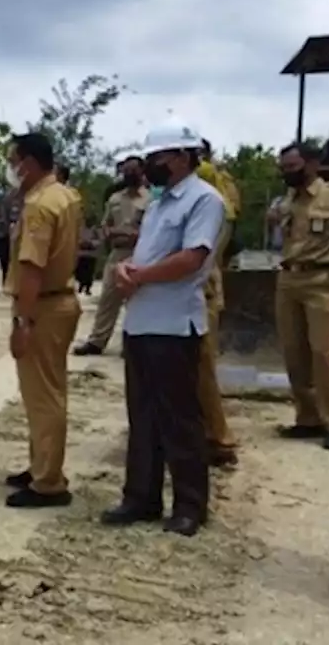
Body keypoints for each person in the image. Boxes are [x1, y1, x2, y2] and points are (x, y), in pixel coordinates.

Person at [100, 119, 223, 537]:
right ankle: (141, 497)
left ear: (184, 157)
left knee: (181, 420)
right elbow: (148, 252)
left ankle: (190, 505)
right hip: (142, 322)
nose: (151, 165)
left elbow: (192, 258)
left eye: (159, 158)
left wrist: (142, 275)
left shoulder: (204, 200)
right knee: (143, 416)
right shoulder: (158, 203)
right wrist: (127, 268)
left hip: (174, 325)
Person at [2, 133, 84, 509]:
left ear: (29, 163)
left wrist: (23, 321)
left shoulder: (39, 205)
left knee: (44, 397)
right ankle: (41, 465)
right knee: (46, 392)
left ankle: (49, 482)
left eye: (12, 160)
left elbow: (32, 267)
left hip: (44, 307)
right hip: (60, 302)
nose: (10, 169)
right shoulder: (65, 195)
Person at [271, 142, 329, 451]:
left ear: (313, 164)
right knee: (294, 351)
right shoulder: (287, 200)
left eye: (293, 166)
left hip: (322, 279)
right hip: (289, 278)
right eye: (285, 168)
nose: (288, 173)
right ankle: (307, 417)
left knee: (324, 353)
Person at [74, 154, 151, 355]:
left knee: (137, 301)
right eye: (126, 170)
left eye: (133, 169)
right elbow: (105, 226)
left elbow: (151, 230)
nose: (129, 173)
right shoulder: (115, 199)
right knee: (108, 299)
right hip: (117, 253)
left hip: (140, 254)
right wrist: (114, 233)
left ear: (142, 171)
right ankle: (96, 341)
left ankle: (132, 344)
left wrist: (130, 234)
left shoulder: (151, 200)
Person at [194, 149, 239, 468]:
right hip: (201, 288)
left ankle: (218, 438)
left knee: (201, 366)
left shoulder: (210, 203)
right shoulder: (220, 199)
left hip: (201, 290)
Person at [75, 223, 99, 295]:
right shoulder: (80, 229)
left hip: (91, 255)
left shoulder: (95, 231)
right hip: (82, 254)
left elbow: (99, 240)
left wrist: (91, 243)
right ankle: (81, 286)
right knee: (81, 272)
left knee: (89, 272)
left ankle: (88, 288)